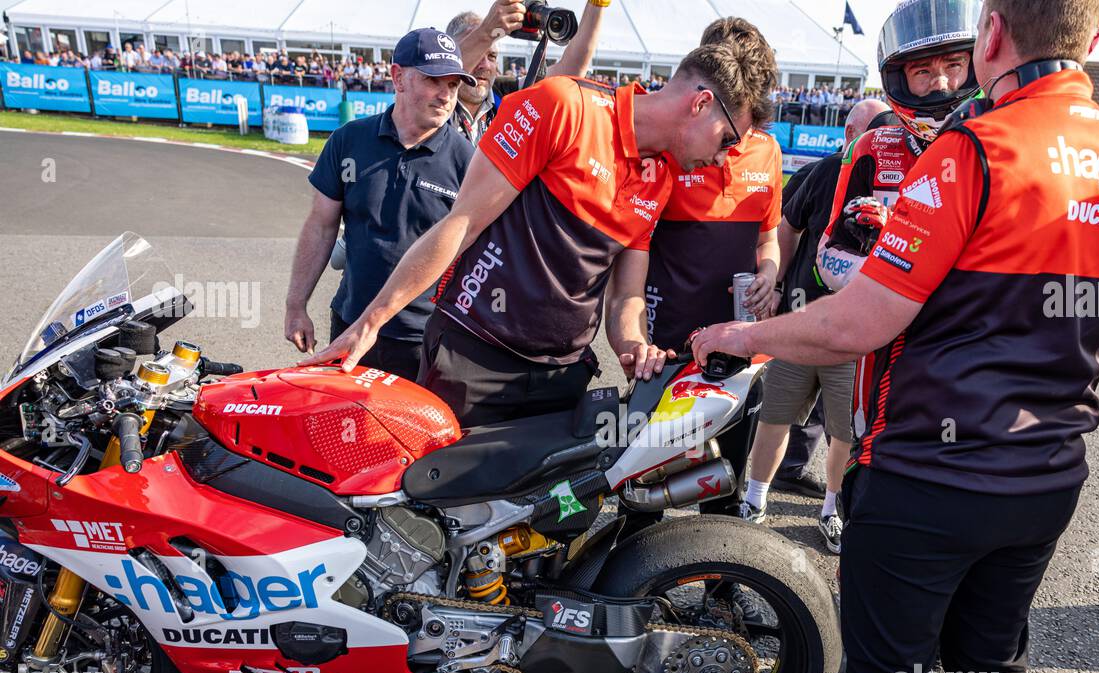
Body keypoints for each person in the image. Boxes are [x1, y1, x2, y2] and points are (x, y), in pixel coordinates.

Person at [694, 0, 1099, 673]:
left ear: (991, 33)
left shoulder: (973, 150)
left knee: (889, 671)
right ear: (1092, 39)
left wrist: (742, 337)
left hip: (930, 473)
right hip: (1049, 469)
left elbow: (854, 325)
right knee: (993, 659)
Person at [306, 41, 775, 429]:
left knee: (537, 532)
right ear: (701, 104)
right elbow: (461, 224)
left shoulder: (662, 177)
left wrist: (633, 344)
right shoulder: (564, 106)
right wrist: (371, 322)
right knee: (438, 516)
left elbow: (626, 295)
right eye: (728, 140)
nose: (722, 159)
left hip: (560, 377)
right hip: (474, 356)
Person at [741, 0, 981, 554]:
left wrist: (905, 242)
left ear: (975, 64)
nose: (939, 82)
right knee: (858, 463)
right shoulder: (874, 149)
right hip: (868, 345)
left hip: (958, 364)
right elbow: (831, 258)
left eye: (952, 66)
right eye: (922, 70)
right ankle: (769, 503)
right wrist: (881, 253)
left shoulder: (997, 141)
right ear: (900, 76)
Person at [624, 16, 780, 526]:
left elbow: (768, 237)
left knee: (727, 470)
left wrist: (771, 273)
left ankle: (720, 586)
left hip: (739, 342)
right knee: (642, 470)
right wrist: (634, 332)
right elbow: (635, 247)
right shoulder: (673, 145)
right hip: (670, 340)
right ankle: (628, 583)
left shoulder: (768, 149)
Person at [283, 28, 477, 382]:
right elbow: (321, 225)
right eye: (435, 81)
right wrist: (296, 306)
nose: (446, 96)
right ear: (398, 77)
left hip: (426, 338)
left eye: (453, 85)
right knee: (339, 426)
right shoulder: (349, 140)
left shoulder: (470, 162)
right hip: (349, 323)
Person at [773, 98, 893, 499]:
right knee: (787, 400)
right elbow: (786, 226)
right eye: (875, 130)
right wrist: (776, 284)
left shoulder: (898, 180)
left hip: (859, 318)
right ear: (851, 134)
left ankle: (829, 493)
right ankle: (764, 482)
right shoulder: (822, 171)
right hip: (808, 309)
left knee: (841, 410)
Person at [449, 0, 609, 146]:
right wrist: (488, 31)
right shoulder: (433, 99)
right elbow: (448, 67)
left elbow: (572, 68)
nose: (485, 65)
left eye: (492, 56)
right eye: (478, 52)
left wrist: (597, 5)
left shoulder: (503, 95)